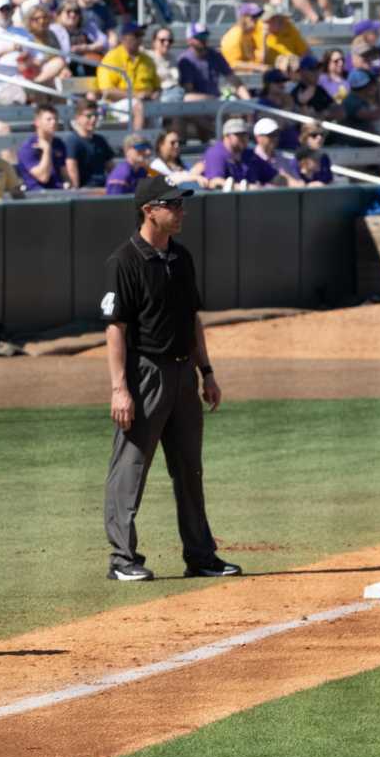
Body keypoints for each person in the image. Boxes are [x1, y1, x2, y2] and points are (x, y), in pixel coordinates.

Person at [102, 177, 239, 583]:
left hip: (182, 375)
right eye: (173, 204)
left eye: (182, 204)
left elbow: (192, 319)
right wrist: (119, 388)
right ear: (149, 210)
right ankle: (122, 559)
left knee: (188, 469)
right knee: (130, 468)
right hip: (145, 375)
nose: (181, 211)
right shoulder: (124, 261)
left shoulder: (181, 258)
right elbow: (116, 329)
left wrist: (207, 373)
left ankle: (201, 556)